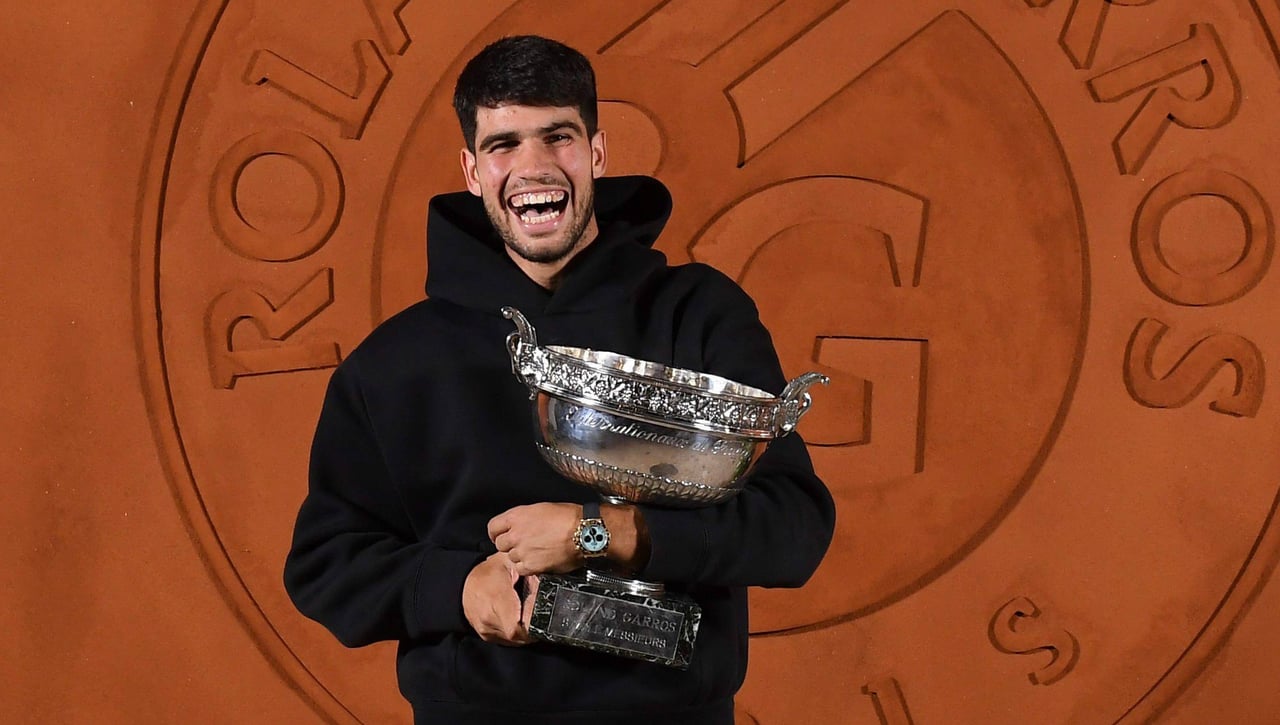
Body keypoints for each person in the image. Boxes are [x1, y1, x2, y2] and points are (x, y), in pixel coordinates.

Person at [283, 34, 835, 725]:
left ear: (597, 153)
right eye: (503, 144)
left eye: (559, 137)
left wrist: (600, 533)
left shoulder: (701, 315)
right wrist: (457, 587)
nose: (534, 167)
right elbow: (324, 563)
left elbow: (795, 527)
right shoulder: (395, 362)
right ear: (471, 170)